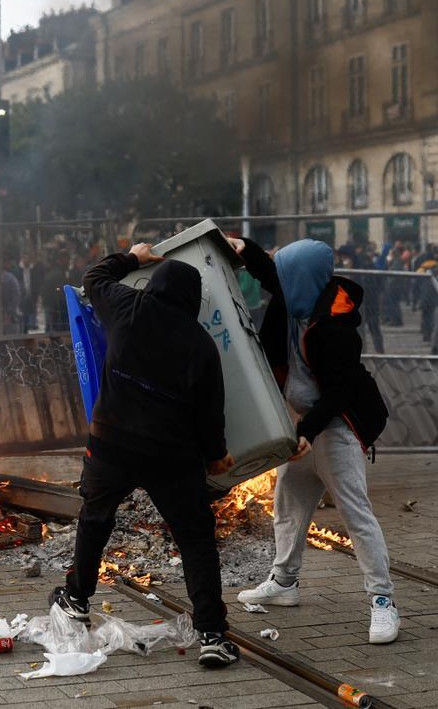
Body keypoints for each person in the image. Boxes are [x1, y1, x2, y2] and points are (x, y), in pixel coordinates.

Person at [49, 242, 239, 669]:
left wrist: (133, 256)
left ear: (153, 286)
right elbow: (211, 413)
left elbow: (94, 277)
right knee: (194, 539)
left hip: (110, 443)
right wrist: (216, 455)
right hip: (171, 454)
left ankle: (76, 599)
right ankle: (211, 634)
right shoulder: (201, 344)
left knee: (95, 520)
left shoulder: (127, 307)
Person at [230, 237, 397, 644]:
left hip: (336, 427)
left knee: (356, 513)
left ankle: (383, 601)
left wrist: (306, 433)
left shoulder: (337, 327)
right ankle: (285, 582)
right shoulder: (295, 296)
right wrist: (242, 247)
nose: (279, 281)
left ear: (303, 278)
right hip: (304, 423)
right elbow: (270, 274)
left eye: (287, 273)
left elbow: (338, 394)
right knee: (288, 503)